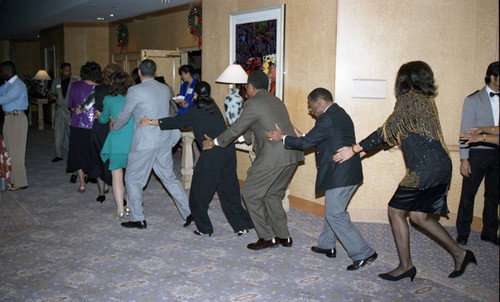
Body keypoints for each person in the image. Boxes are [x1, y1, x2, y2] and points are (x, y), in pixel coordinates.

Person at [334, 61, 475, 281]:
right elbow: (400, 132)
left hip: (424, 169)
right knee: (419, 216)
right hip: (441, 166)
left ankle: (406, 265)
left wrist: (355, 148)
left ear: (404, 80)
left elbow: (387, 130)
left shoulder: (408, 100)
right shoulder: (426, 101)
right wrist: (366, 150)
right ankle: (461, 253)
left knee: (395, 210)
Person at [267, 88, 377, 270]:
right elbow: (317, 138)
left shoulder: (327, 118)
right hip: (348, 172)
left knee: (335, 213)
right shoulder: (340, 113)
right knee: (334, 210)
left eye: (310, 106)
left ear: (319, 102)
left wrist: (283, 138)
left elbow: (306, 144)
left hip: (341, 173)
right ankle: (327, 245)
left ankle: (363, 253)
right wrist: (301, 135)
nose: (310, 111)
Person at [202, 70, 303, 250]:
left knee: (249, 193)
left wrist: (215, 142)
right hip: (292, 155)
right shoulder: (275, 100)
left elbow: (237, 129)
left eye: (246, 86)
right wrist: (240, 138)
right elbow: (255, 129)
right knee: (272, 195)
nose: (246, 90)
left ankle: (267, 236)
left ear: (251, 86)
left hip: (274, 157)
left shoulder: (253, 103)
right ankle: (284, 236)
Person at [140, 81, 254, 236]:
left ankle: (204, 229)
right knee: (230, 193)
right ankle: (242, 226)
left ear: (195, 94)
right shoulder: (214, 105)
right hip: (227, 154)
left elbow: (176, 121)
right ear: (210, 94)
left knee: (197, 196)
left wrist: (151, 121)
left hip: (211, 157)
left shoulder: (196, 110)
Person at [114, 59, 191, 229]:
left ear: (139, 72)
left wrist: (115, 126)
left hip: (145, 142)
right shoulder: (165, 89)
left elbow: (125, 114)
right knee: (169, 177)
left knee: (133, 179)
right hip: (163, 139)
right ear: (155, 73)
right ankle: (189, 212)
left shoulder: (134, 90)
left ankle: (137, 218)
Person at [456, 61, 499, 246]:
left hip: (498, 153)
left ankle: (489, 232)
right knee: (468, 194)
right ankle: (463, 232)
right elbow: (465, 130)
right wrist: (464, 158)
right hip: (477, 153)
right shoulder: (473, 100)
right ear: (493, 77)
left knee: (494, 195)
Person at [97, 71, 134, 218]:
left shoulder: (108, 99)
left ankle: (120, 209)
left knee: (117, 175)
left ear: (112, 83)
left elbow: (103, 120)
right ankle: (130, 207)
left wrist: (99, 116)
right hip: (133, 141)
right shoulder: (134, 98)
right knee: (132, 176)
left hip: (117, 141)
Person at [88, 63, 122, 202]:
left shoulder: (97, 89)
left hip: (99, 127)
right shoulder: (122, 91)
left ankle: (101, 193)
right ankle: (121, 195)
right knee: (116, 159)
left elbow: (86, 105)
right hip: (116, 126)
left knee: (98, 157)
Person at [66, 61, 101, 193]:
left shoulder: (74, 86)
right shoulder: (101, 88)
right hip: (95, 125)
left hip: (77, 124)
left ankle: (82, 184)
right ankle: (102, 184)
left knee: (78, 154)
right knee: (96, 154)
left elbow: (70, 106)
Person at [0, 61, 28, 191]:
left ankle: (20, 181)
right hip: (9, 117)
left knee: (17, 152)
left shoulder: (18, 85)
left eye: (2, 71)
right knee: (10, 150)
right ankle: (12, 179)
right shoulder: (7, 85)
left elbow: (3, 99)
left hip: (17, 119)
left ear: (8, 71)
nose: (0, 74)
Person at [49, 63, 77, 163]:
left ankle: (74, 154)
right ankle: (58, 154)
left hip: (70, 110)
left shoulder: (74, 82)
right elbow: (51, 92)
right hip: (59, 110)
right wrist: (52, 95)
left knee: (72, 133)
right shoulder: (56, 81)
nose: (68, 72)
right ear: (61, 70)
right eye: (66, 70)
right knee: (58, 133)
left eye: (69, 70)